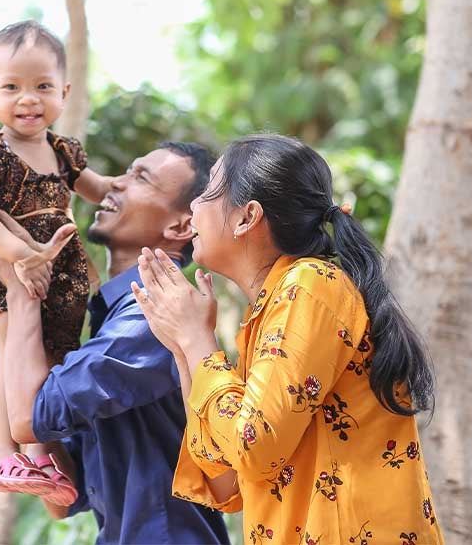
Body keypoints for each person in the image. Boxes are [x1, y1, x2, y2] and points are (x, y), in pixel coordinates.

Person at [132, 134, 446, 545]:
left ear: (247, 217)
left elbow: (253, 448)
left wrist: (196, 341)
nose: (193, 205)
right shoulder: (269, 312)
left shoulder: (312, 285)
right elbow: (226, 479)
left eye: (208, 191)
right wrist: (183, 346)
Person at [0, 142, 231, 544]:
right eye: (127, 169)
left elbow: (25, 418)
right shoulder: (114, 316)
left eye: (141, 178)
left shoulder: (153, 315)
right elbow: (61, 495)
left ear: (180, 227)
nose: (115, 184)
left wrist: (20, 288)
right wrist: (8, 340)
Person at [0, 21, 111, 504]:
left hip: (55, 276)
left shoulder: (62, 151)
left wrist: (138, 186)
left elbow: (100, 189)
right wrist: (20, 255)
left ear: (65, 93)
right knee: (14, 351)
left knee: (47, 360)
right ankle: (0, 451)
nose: (28, 98)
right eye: (11, 87)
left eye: (42, 87)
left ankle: (37, 453)